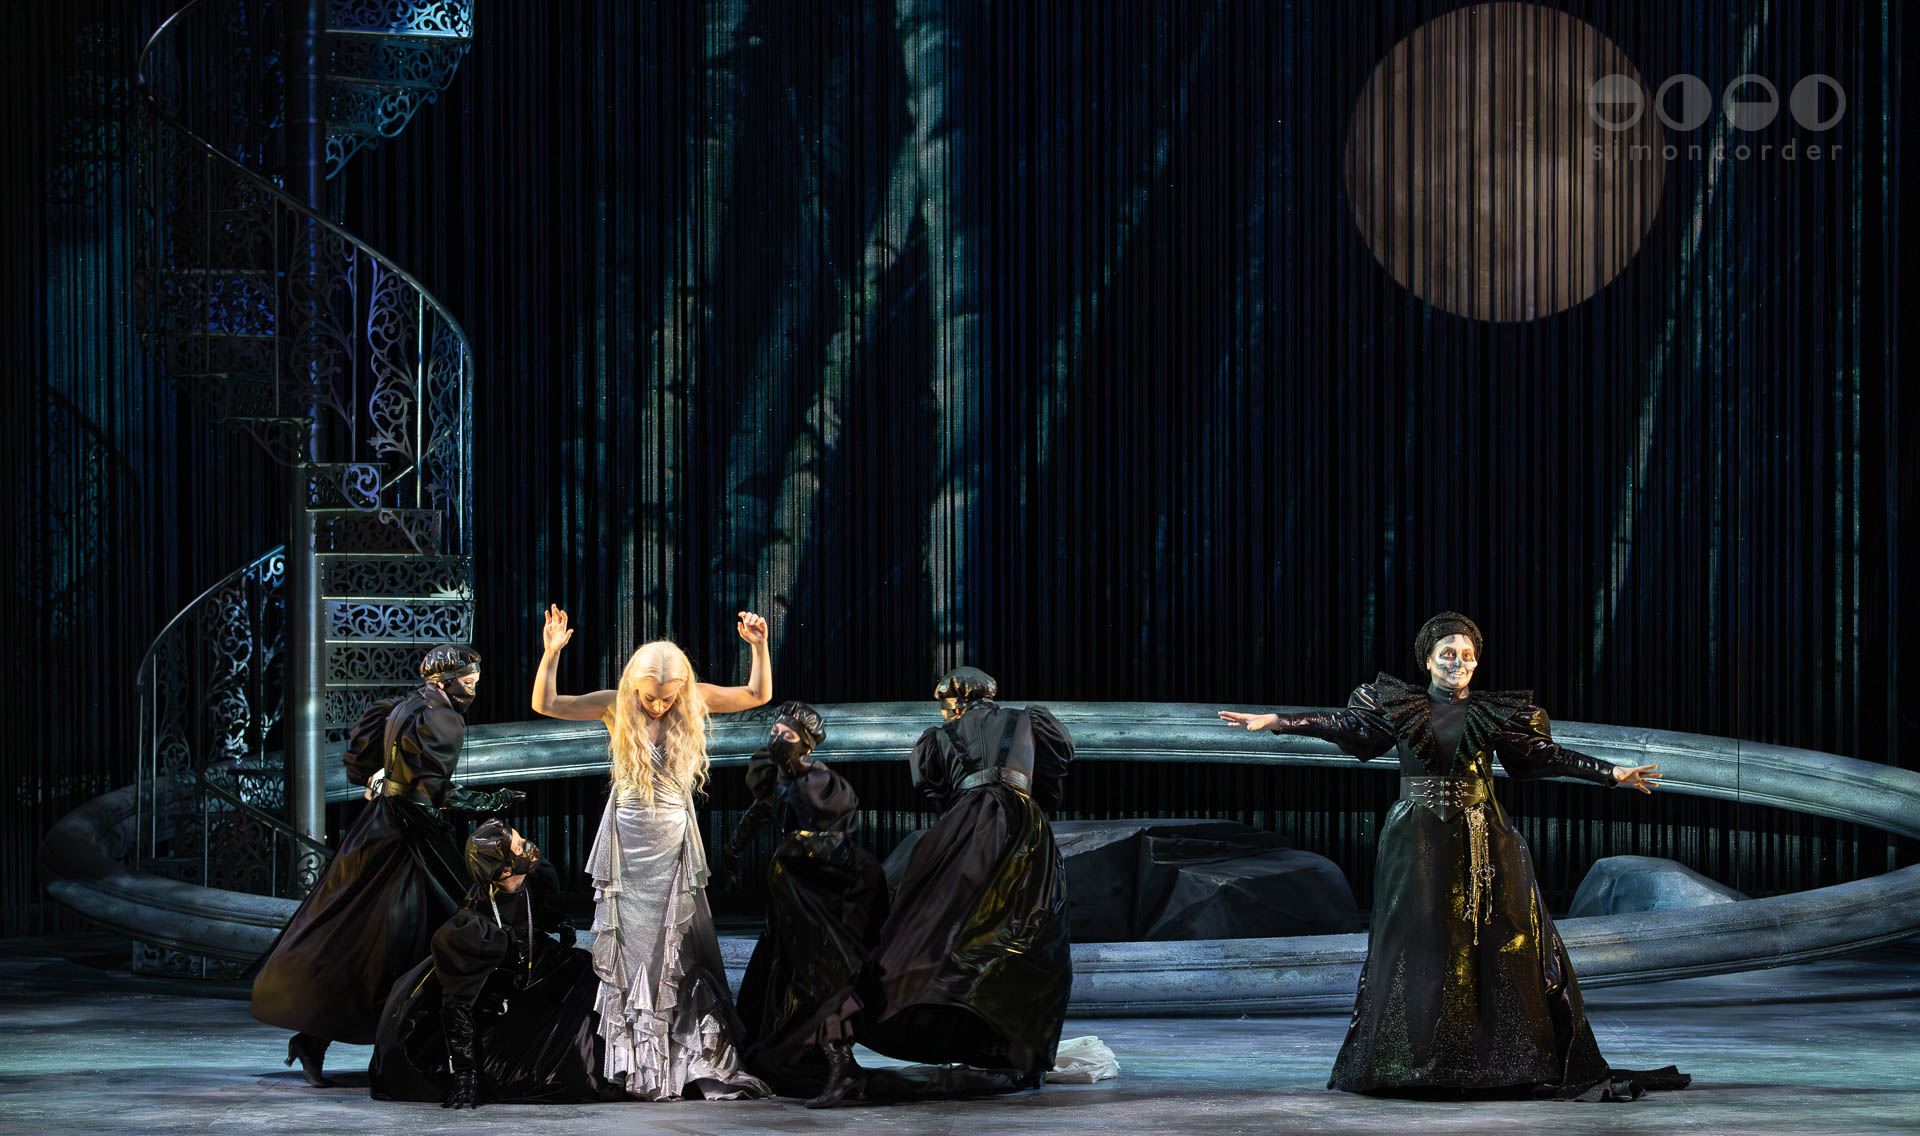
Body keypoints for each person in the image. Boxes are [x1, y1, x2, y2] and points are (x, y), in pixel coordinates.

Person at [1219, 611, 1689, 1100]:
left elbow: (1545, 755)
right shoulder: (1400, 707)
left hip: (1484, 841)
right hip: (1416, 839)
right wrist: (1280, 721)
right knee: (1416, 942)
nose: (1457, 663)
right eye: (1447, 654)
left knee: (1496, 942)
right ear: (1428, 660)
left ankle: (1501, 1064)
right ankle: (1412, 1063)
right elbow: (1345, 724)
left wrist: (1611, 773)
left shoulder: (1492, 713)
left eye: (1466, 655)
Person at [250, 644, 523, 1086]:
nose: (473, 690)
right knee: (411, 938)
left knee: (368, 937)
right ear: (444, 682)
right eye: (467, 683)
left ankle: (330, 1040)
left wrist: (385, 777)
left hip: (379, 826)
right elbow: (435, 791)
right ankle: (401, 1048)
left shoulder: (402, 706)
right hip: (406, 836)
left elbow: (363, 764)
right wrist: (492, 801)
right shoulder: (441, 718)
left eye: (475, 682)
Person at [530, 604, 772, 1100]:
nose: (658, 706)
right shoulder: (615, 705)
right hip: (627, 841)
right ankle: (632, 1064)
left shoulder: (694, 699)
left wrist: (759, 647)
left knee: (675, 949)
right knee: (632, 949)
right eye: (650, 697)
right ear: (634, 686)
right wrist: (551, 653)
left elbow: (757, 694)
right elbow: (547, 703)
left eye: (667, 698)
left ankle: (678, 1063)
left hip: (671, 843)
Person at [860, 666, 1075, 1088]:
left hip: (967, 825)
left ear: (954, 702)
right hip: (1022, 823)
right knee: (1029, 929)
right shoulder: (1029, 719)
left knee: (941, 924)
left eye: (944, 705)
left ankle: (957, 1026)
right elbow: (1055, 765)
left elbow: (935, 789)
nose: (944, 713)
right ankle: (1020, 1050)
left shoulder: (938, 738)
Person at [369, 820, 618, 1108]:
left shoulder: (530, 880)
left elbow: (534, 913)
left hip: (531, 974)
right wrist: (465, 1074)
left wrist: (556, 924)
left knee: (587, 976)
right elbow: (458, 1006)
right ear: (505, 870)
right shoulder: (474, 928)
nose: (529, 846)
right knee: (558, 1070)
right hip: (492, 1003)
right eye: (519, 846)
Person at [726, 701, 890, 1108]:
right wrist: (733, 848)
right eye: (776, 732)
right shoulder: (779, 778)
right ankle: (819, 1059)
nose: (779, 739)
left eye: (789, 735)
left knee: (825, 972)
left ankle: (841, 1065)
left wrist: (795, 773)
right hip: (793, 889)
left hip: (827, 889)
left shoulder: (820, 780)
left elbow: (830, 832)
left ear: (807, 744)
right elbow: (761, 811)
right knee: (789, 974)